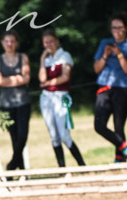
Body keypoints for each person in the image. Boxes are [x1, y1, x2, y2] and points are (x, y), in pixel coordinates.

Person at [38, 31, 85, 167]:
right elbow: (42, 78)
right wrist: (42, 59)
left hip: (60, 97)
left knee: (64, 135)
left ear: (57, 41)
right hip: (46, 98)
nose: (49, 45)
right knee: (54, 136)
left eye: (51, 41)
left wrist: (47, 83)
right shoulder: (47, 60)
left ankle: (82, 165)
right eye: (46, 42)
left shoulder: (65, 56)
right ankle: (62, 168)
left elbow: (65, 77)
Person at [0, 32, 31, 170]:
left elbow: (26, 78)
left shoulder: (23, 57)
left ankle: (11, 166)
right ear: (2, 42)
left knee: (22, 136)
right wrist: (17, 78)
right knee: (14, 137)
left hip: (23, 102)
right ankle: (22, 170)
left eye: (12, 41)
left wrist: (6, 80)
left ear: (16, 43)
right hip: (7, 104)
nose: (10, 44)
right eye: (7, 41)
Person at [93, 14, 127, 163]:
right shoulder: (104, 43)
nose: (117, 31)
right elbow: (97, 69)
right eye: (114, 28)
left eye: (120, 27)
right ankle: (125, 148)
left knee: (119, 127)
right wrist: (105, 55)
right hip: (104, 87)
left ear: (125, 28)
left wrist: (119, 54)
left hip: (122, 88)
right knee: (99, 126)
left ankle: (120, 160)